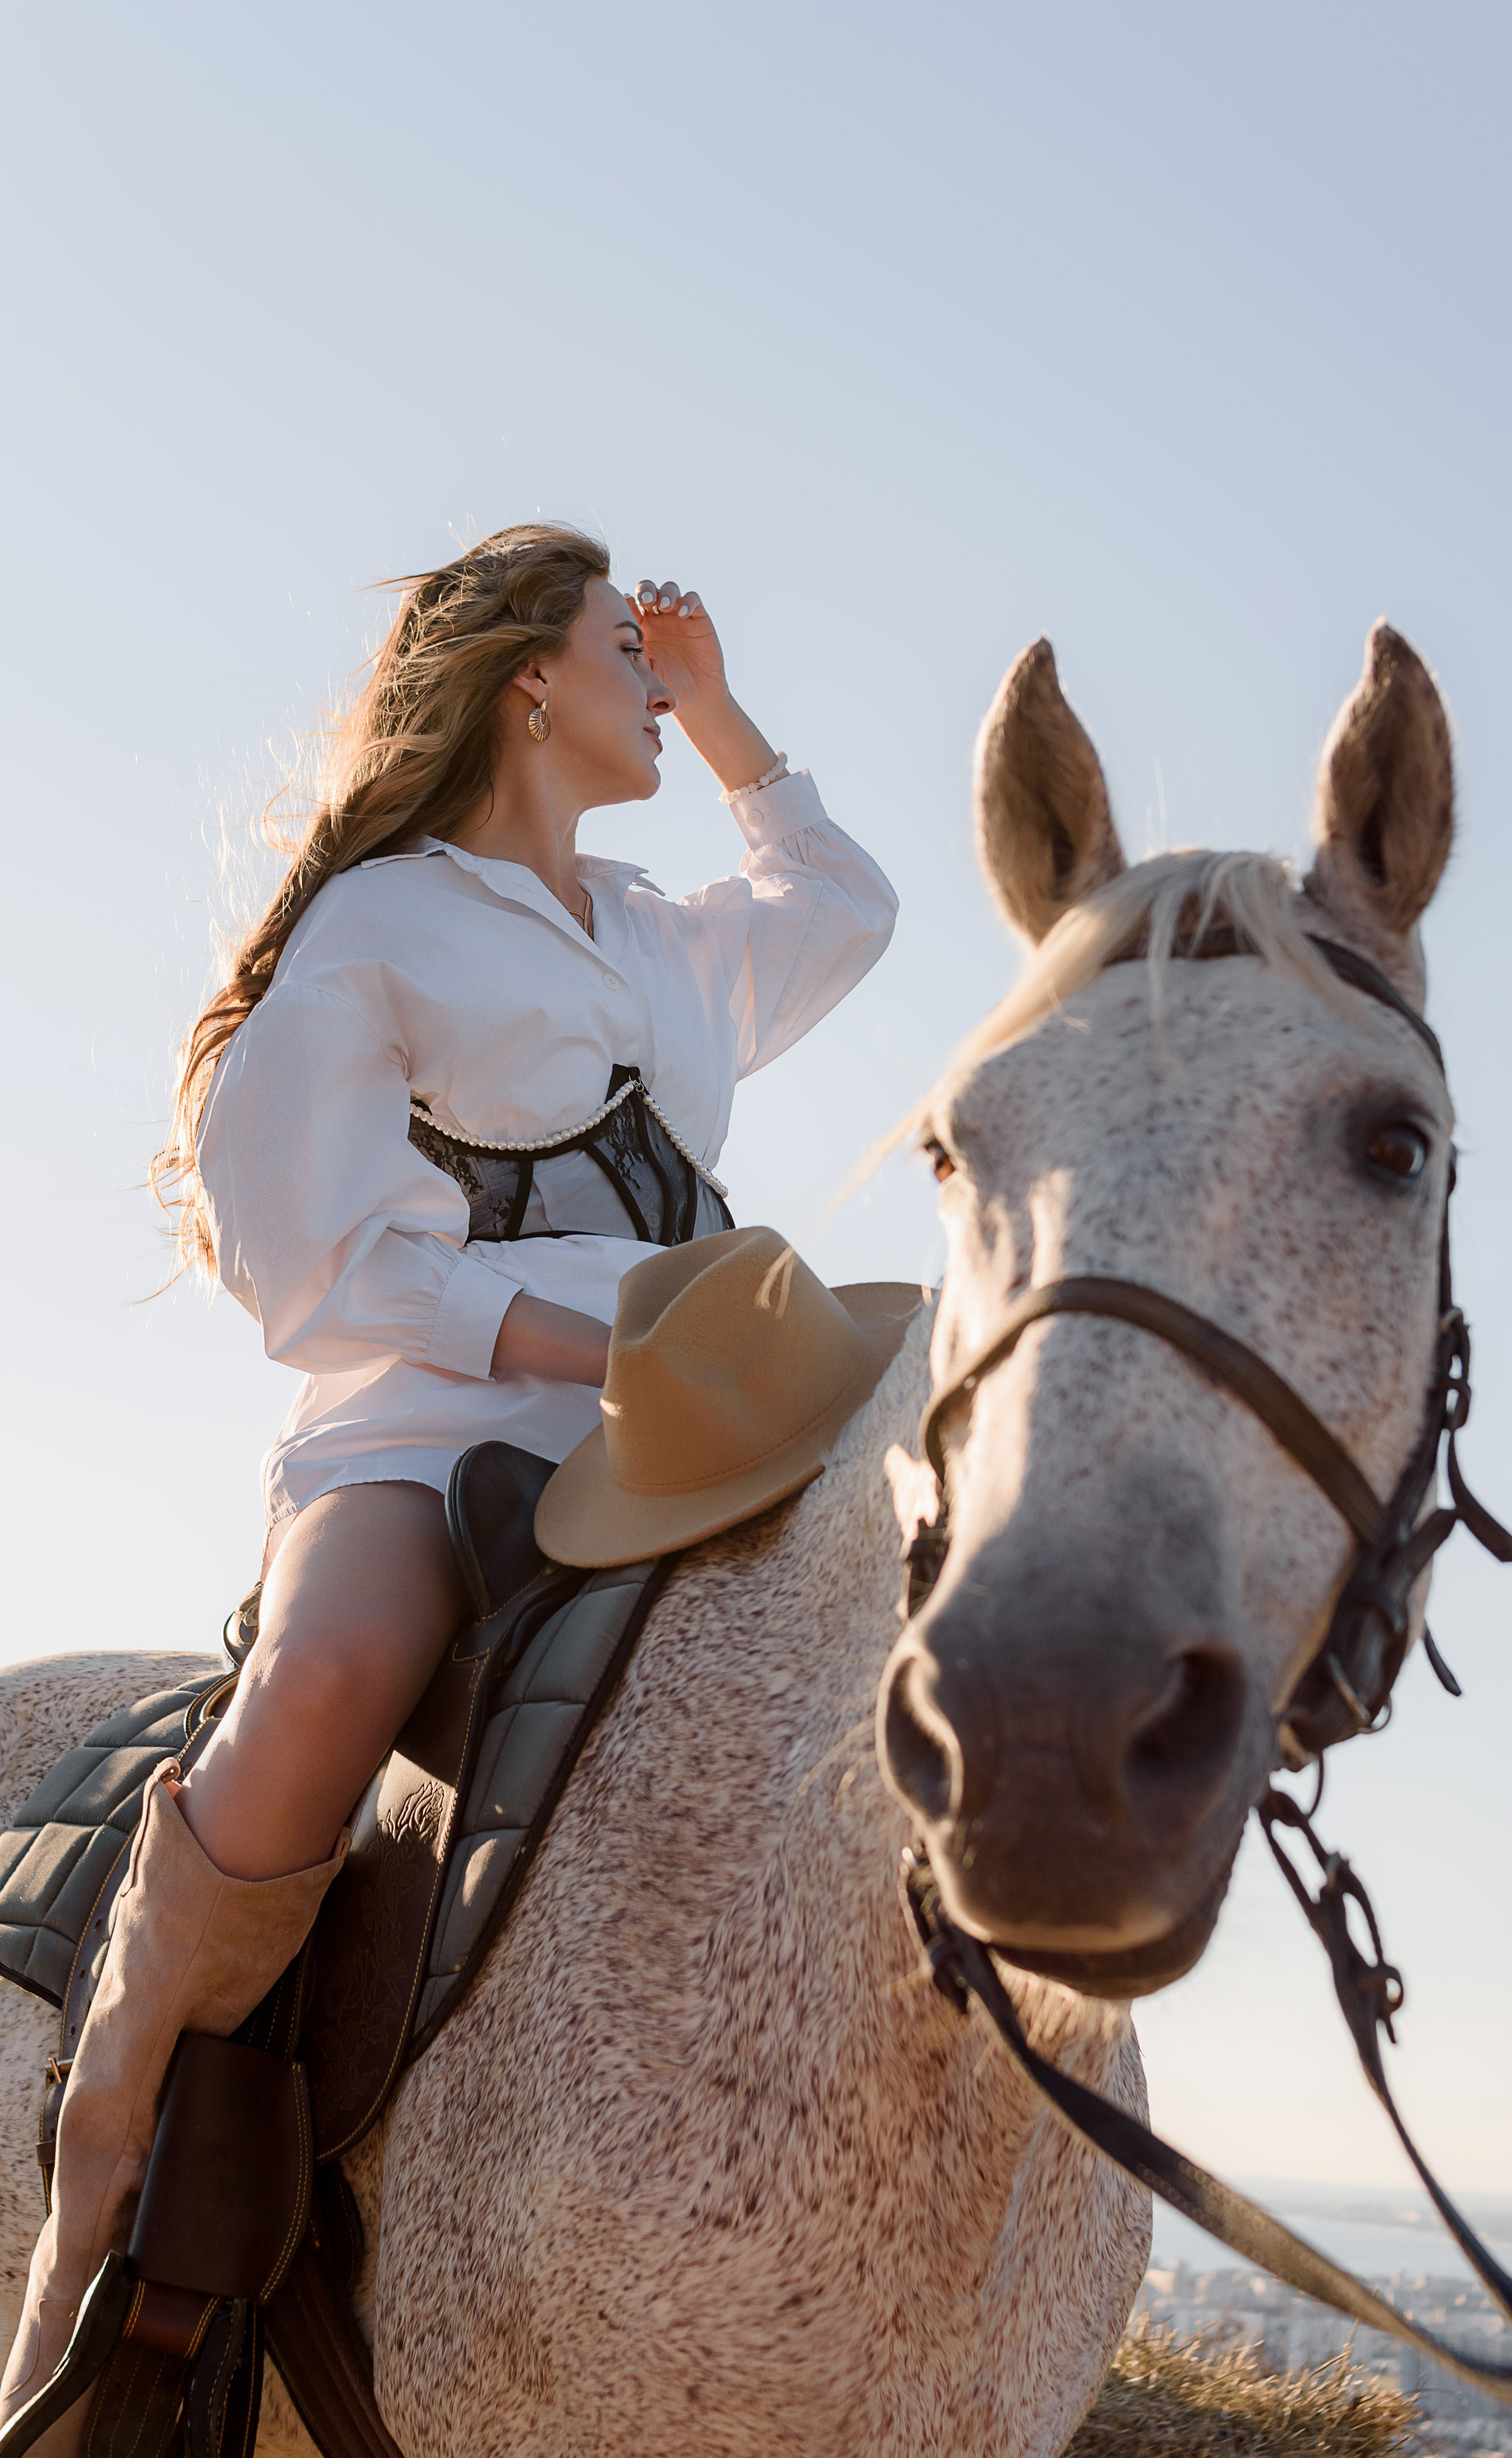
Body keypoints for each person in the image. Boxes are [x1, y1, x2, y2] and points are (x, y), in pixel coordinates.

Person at [0, 524, 896, 2439]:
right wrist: (581, 1345)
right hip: (429, 1426)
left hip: (694, 1427)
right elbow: (303, 1259)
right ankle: (104, 2227)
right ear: (527, 686)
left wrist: (725, 711)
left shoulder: (653, 929)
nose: (647, 685)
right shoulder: (377, 925)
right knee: (324, 1680)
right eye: (622, 656)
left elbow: (844, 903)